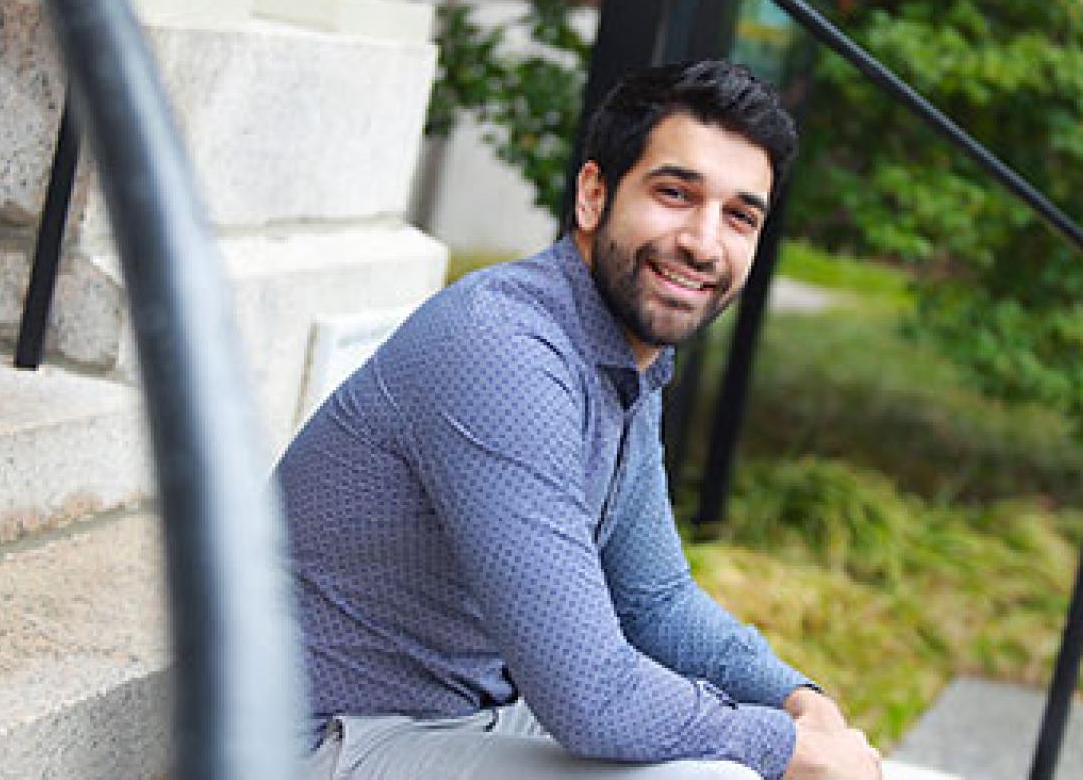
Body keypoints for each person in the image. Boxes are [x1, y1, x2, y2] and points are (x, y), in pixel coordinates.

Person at [276, 60, 883, 780]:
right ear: (594, 195)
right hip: (316, 738)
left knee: (743, 738)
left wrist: (798, 701)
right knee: (716, 774)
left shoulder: (626, 360)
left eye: (739, 216)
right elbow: (592, 695)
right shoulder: (502, 349)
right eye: (674, 194)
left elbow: (654, 600)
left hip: (465, 710)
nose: (702, 241)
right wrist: (784, 748)